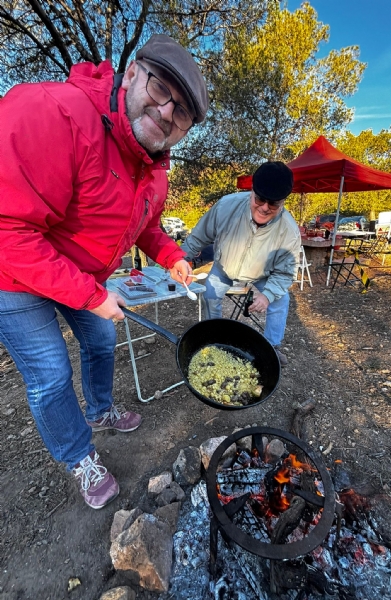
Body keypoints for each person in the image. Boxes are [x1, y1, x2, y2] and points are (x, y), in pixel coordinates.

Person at [0, 34, 208, 509]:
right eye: (160, 89)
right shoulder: (53, 112)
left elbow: (145, 227)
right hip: (11, 275)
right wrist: (92, 295)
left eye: (182, 114)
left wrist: (172, 255)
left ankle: (99, 410)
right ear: (131, 74)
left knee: (101, 340)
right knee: (51, 373)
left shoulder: (154, 168)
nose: (166, 112)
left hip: (77, 275)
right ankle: (79, 456)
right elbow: (6, 232)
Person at [181, 161, 301, 366]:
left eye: (272, 204)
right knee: (210, 293)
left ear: (282, 202)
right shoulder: (227, 206)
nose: (264, 208)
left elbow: (285, 272)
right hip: (224, 267)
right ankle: (214, 337)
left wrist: (268, 295)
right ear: (252, 191)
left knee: (281, 300)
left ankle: (272, 347)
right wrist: (181, 258)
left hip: (262, 273)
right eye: (260, 199)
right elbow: (199, 236)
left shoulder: (289, 231)